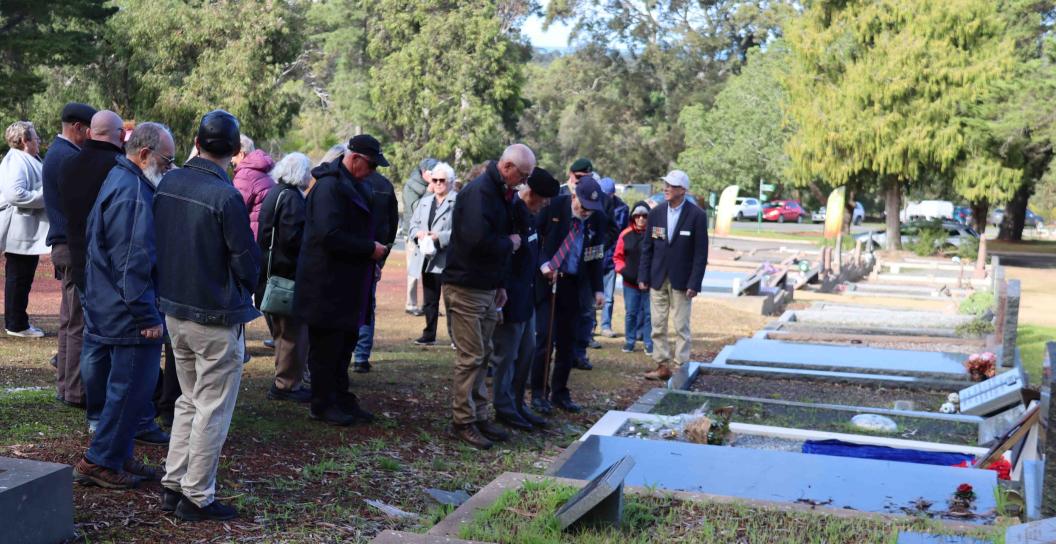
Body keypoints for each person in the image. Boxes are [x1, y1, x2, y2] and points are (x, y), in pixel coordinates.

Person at [155, 110, 261, 522]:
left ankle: (175, 482)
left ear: (196, 141)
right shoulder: (226, 196)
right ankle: (195, 495)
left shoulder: (170, 182)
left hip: (176, 310)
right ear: (235, 151)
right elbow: (246, 261)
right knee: (211, 407)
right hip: (214, 316)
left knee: (188, 400)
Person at [72, 122, 175, 489]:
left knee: (126, 389)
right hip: (127, 310)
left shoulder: (122, 178)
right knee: (131, 390)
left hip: (110, 302)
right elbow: (132, 259)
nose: (169, 167)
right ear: (144, 154)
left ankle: (115, 454)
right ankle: (99, 461)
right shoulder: (132, 190)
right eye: (167, 160)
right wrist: (146, 314)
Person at [442, 144, 535, 450]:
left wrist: (501, 283)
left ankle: (480, 415)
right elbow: (475, 241)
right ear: (507, 167)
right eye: (521, 176)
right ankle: (463, 420)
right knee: (471, 357)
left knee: (483, 355)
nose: (522, 183)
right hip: (466, 285)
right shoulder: (479, 193)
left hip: (486, 286)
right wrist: (508, 243)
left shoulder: (501, 193)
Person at [296, 134, 387, 426]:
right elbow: (329, 234)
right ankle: (322, 403)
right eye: (371, 165)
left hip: (346, 283)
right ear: (355, 158)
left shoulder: (352, 184)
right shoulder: (329, 187)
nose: (373, 172)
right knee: (326, 348)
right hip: (326, 284)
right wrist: (368, 248)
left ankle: (340, 396)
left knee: (343, 344)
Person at [530, 175, 606, 415]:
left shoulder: (598, 220)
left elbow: (595, 256)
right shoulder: (553, 206)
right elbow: (534, 241)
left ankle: (560, 392)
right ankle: (538, 392)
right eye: (582, 206)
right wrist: (543, 265)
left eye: (590, 209)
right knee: (544, 339)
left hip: (574, 285)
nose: (585, 212)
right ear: (574, 196)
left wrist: (598, 288)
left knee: (567, 342)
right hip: (547, 281)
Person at [490, 166, 558, 431]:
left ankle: (518, 403)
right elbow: (504, 257)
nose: (547, 205)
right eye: (544, 199)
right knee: (506, 356)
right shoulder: (512, 213)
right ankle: (503, 407)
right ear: (530, 193)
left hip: (527, 297)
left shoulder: (529, 216)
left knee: (527, 352)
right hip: (509, 297)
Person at [43, 103, 96, 406]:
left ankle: (66, 386)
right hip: (71, 246)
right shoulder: (67, 157)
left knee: (68, 321)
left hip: (63, 245)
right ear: (78, 127)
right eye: (89, 129)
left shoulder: (57, 153)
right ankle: (75, 391)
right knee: (77, 322)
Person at [638, 170, 709, 381]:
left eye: (671, 185)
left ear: (683, 190)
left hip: (683, 281)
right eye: (665, 185)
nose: (666, 188)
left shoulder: (697, 216)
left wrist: (695, 282)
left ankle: (681, 368)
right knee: (657, 324)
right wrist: (643, 275)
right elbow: (647, 247)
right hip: (657, 278)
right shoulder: (656, 213)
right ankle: (662, 365)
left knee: (681, 326)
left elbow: (700, 253)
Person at [257, 152, 312, 403]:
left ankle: (284, 381)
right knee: (291, 334)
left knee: (282, 333)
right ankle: (286, 385)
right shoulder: (291, 198)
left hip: (270, 273)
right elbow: (292, 240)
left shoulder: (274, 193)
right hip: (285, 276)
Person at [352, 146, 399, 373]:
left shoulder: (351, 184)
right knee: (366, 304)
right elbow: (391, 227)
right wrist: (382, 258)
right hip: (373, 253)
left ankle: (352, 352)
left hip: (353, 252)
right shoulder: (385, 187)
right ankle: (361, 355)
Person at [1, 121, 47, 338]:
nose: (38, 140)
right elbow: (15, 194)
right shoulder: (15, 161)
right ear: (24, 141)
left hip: (25, 230)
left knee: (22, 276)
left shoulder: (25, 158)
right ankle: (16, 324)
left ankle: (17, 320)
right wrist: (45, 197)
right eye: (35, 137)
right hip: (19, 230)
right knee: (19, 277)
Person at [408, 161, 456, 346]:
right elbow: (412, 225)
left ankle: (455, 337)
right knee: (429, 299)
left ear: (450, 181)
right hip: (427, 258)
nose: (437, 183)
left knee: (452, 301)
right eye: (434, 179)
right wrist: (417, 234)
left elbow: (462, 231)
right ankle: (429, 334)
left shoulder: (457, 202)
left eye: (442, 180)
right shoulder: (425, 202)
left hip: (448, 258)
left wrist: (440, 236)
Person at [614, 201, 653, 354]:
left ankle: (649, 342)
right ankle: (630, 341)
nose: (641, 219)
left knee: (650, 314)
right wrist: (624, 271)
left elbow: (663, 253)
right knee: (631, 313)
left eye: (645, 216)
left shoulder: (656, 233)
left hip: (650, 283)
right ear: (633, 217)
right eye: (638, 216)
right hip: (630, 284)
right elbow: (617, 257)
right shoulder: (625, 234)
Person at [402, 158, 437, 316]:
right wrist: (430, 191)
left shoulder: (435, 185)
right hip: (413, 234)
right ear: (424, 171)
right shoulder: (411, 186)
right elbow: (416, 208)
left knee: (431, 272)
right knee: (413, 270)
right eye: (432, 172)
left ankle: (429, 305)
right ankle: (411, 304)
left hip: (430, 234)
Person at [597, 177, 628, 338]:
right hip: (594, 257)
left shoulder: (623, 208)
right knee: (592, 295)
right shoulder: (594, 205)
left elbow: (622, 234)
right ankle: (590, 327)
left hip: (611, 258)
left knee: (608, 296)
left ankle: (606, 325)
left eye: (609, 195)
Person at [231, 135, 276, 239]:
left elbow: (235, 210)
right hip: (265, 233)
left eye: (233, 155)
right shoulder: (263, 169)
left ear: (241, 154)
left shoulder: (245, 175)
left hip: (253, 236)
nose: (231, 160)